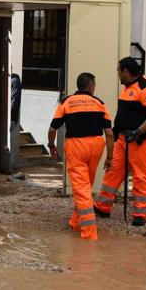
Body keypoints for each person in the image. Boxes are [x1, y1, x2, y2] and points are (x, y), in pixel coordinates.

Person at [95, 57, 146, 226]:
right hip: (123, 139)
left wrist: (138, 132)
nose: (117, 74)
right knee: (113, 171)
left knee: (141, 176)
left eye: (119, 71)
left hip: (141, 140)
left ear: (126, 72)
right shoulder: (127, 88)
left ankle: (140, 214)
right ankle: (103, 206)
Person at [48, 73, 114, 241]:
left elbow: (52, 129)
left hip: (76, 146)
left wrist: (51, 145)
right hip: (97, 145)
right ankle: (75, 222)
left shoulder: (67, 102)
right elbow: (109, 133)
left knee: (81, 188)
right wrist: (110, 157)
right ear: (91, 87)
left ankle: (89, 233)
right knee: (86, 185)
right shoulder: (100, 103)